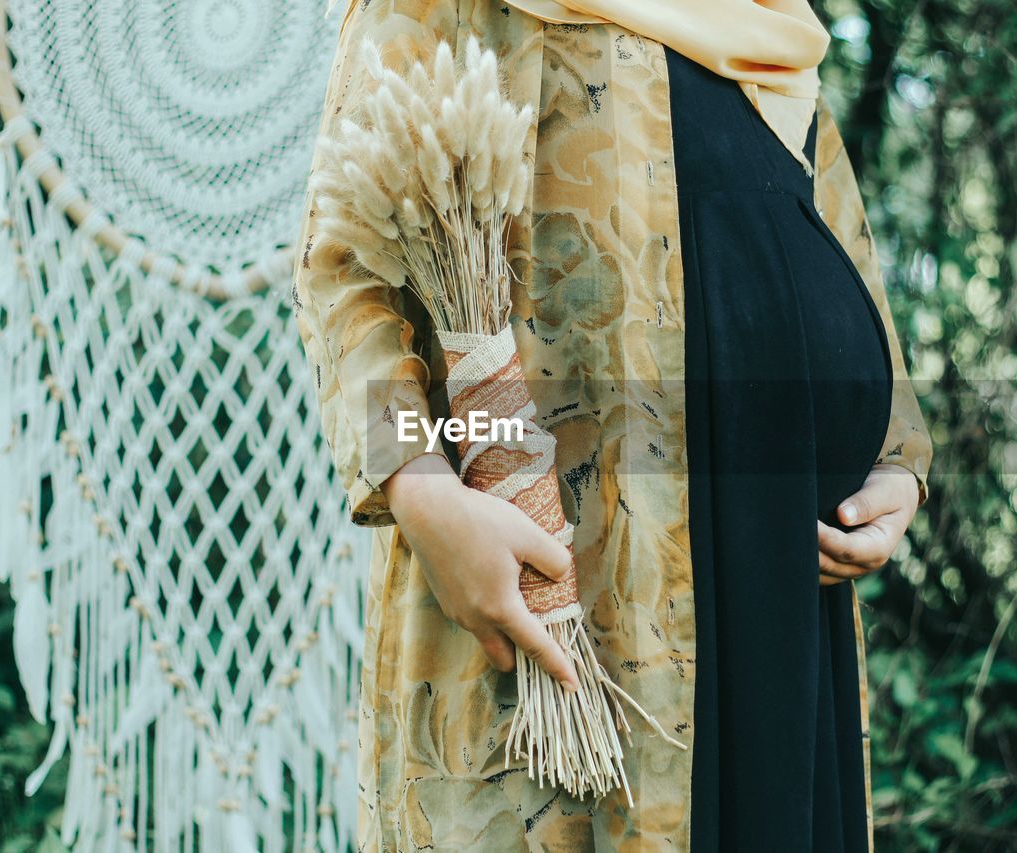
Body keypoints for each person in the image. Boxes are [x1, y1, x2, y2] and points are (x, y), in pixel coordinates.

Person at [292, 1, 932, 849]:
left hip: (779, 607)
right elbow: (344, 274)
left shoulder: (765, 20)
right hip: (558, 595)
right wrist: (416, 486)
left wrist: (894, 459)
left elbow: (844, 260)